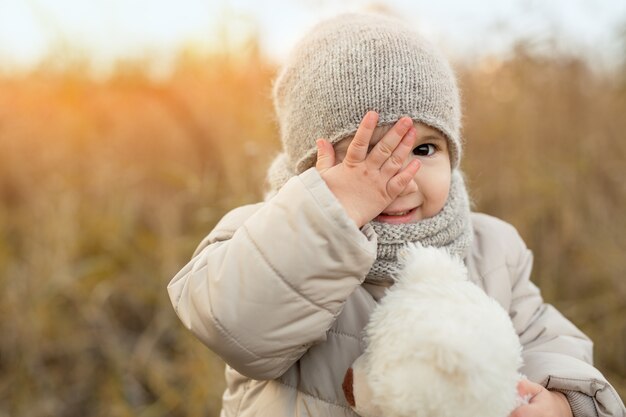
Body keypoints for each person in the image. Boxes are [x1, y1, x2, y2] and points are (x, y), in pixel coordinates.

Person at [167, 12, 625, 417]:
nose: (399, 178)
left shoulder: (491, 250)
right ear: (309, 170)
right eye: (364, 158)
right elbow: (235, 324)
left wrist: (564, 401)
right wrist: (329, 214)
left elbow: (548, 341)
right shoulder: (269, 237)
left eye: (424, 148)